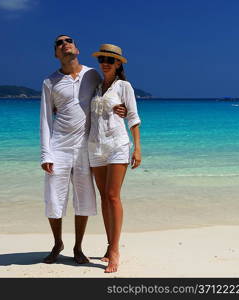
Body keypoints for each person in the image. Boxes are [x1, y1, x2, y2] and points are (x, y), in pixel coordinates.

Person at [40, 35, 126, 264]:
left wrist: (121, 109)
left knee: (84, 199)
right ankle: (58, 243)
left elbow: (106, 99)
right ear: (56, 54)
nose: (64, 43)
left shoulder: (92, 75)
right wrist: (45, 153)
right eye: (59, 43)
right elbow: (46, 119)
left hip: (85, 147)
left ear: (76, 49)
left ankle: (78, 247)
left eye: (69, 40)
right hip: (58, 146)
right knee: (53, 199)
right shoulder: (50, 82)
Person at [88, 44, 141, 273]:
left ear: (118, 63)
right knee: (103, 197)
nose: (105, 63)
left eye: (110, 59)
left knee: (113, 196)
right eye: (102, 59)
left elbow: (133, 117)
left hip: (117, 145)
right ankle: (109, 246)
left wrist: (137, 148)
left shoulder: (124, 86)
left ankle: (116, 250)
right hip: (95, 147)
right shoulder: (96, 88)